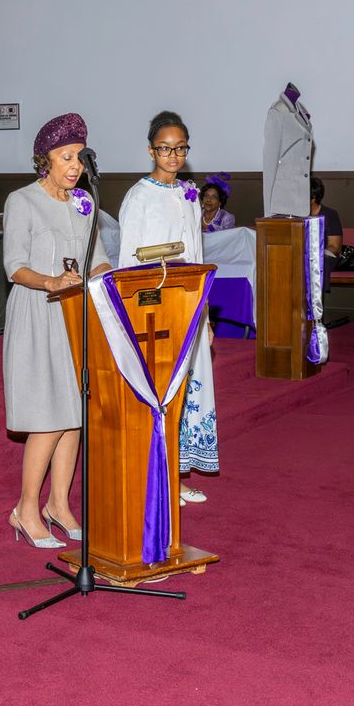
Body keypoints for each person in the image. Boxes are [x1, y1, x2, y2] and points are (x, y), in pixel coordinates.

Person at [3, 112, 112, 548]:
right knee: (47, 416)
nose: (75, 166)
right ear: (44, 159)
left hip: (76, 315)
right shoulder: (22, 201)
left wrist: (109, 280)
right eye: (66, 157)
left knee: (74, 416)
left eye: (80, 158)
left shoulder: (85, 204)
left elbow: (98, 259)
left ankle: (59, 505)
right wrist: (50, 281)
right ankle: (25, 509)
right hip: (38, 312)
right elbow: (14, 267)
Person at [117, 110, 218, 505]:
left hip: (188, 304)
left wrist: (204, 316)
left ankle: (175, 473)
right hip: (154, 308)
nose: (173, 156)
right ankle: (157, 478)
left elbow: (197, 257)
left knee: (185, 393)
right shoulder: (139, 197)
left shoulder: (189, 195)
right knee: (160, 393)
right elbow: (128, 261)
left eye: (180, 149)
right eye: (165, 148)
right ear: (150, 151)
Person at [310, 176, 343, 269]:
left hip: (324, 257)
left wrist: (317, 256)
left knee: (320, 265)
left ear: (313, 198)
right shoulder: (295, 216)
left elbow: (335, 246)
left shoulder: (330, 215)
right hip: (301, 257)